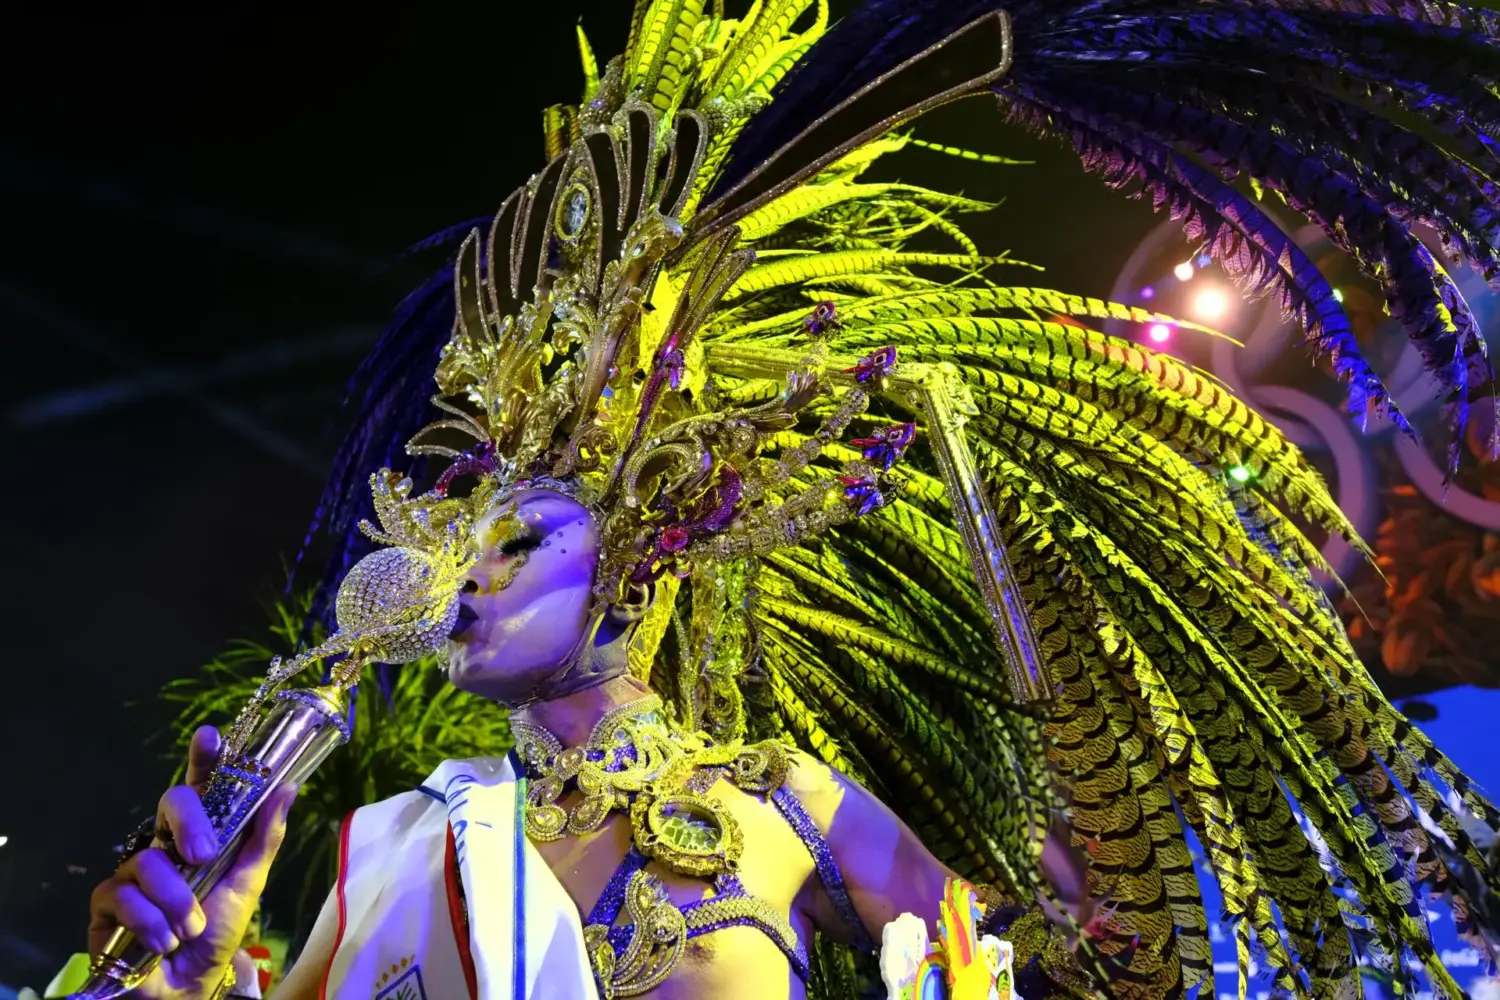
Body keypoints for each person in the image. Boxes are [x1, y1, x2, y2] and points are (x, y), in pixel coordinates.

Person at [82, 2, 1500, 998]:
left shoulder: (786, 800)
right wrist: (186, 980)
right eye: (448, 531)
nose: (460, 567)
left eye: (517, 532)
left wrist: (1096, 904)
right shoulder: (397, 851)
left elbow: (1012, 967)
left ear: (636, 552)